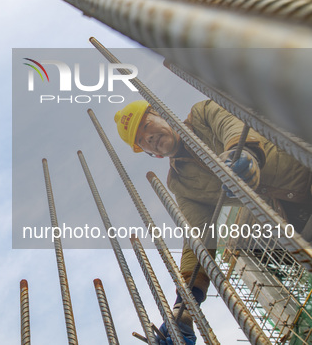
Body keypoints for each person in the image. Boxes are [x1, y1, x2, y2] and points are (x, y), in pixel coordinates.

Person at [114, 99, 312, 344]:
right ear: (150, 153)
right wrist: (184, 306)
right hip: (295, 221)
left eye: (146, 125)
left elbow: (233, 127)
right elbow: (198, 238)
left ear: (160, 115)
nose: (148, 137)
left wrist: (245, 155)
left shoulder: (202, 114)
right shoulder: (180, 183)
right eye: (141, 140)